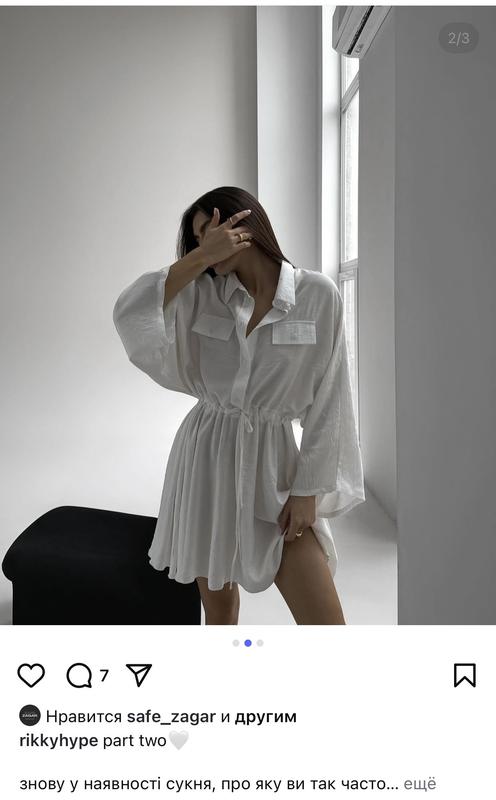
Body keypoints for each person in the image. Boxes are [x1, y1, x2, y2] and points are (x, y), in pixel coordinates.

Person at [113, 186, 365, 625]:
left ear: (242, 224)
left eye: (208, 231)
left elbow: (332, 402)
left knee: (326, 625)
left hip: (274, 469)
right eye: (196, 240)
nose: (203, 245)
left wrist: (307, 490)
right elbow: (131, 311)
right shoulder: (200, 293)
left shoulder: (318, 295)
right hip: (206, 461)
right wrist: (200, 258)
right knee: (221, 615)